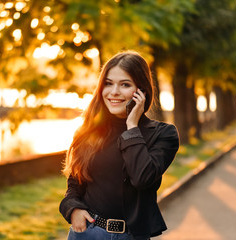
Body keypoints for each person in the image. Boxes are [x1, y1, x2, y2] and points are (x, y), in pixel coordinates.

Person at [59, 51, 179, 240]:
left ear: (141, 90)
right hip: (87, 233)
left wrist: (132, 127)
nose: (114, 92)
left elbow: (143, 178)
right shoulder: (88, 131)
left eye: (124, 84)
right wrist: (72, 209)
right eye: (108, 83)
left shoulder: (163, 134)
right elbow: (75, 183)